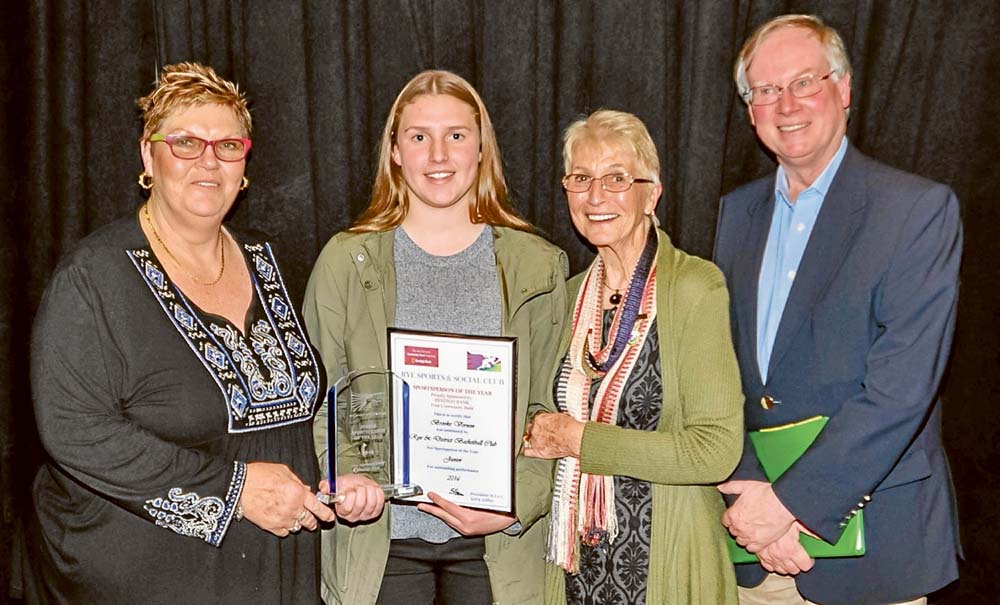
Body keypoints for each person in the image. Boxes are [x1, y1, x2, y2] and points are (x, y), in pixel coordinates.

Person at [23, 62, 384, 604]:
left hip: (272, 567)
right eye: (186, 143)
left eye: (228, 146)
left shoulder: (266, 257)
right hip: (145, 573)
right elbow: (75, 431)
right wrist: (236, 492)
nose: (208, 162)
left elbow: (299, 405)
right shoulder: (94, 278)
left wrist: (340, 478)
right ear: (149, 156)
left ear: (246, 162)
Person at [714, 14, 962, 605]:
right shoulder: (734, 215)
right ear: (751, 111)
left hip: (873, 550)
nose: (786, 103)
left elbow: (902, 391)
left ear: (843, 90)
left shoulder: (916, 211)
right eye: (766, 90)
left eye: (804, 82)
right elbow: (722, 372)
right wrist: (749, 491)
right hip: (756, 553)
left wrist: (788, 505)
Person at [302, 69, 568, 605]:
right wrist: (348, 477)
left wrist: (516, 502)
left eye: (456, 135)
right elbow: (324, 397)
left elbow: (549, 411)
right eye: (419, 136)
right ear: (395, 151)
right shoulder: (346, 262)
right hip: (381, 539)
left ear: (481, 147)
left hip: (497, 545)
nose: (439, 155)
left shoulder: (538, 266)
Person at [523, 109, 744, 604]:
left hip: (665, 560)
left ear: (652, 193)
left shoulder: (694, 287)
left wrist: (582, 440)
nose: (595, 195)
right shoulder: (567, 297)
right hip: (578, 569)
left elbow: (715, 449)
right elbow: (539, 423)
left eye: (617, 178)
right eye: (580, 178)